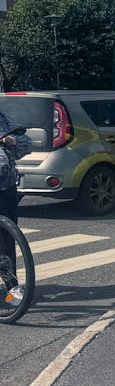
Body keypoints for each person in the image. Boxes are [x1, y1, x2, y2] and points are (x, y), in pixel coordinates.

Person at [0, 109, 31, 307]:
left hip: (5, 186)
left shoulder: (1, 118)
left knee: (7, 238)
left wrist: (12, 141)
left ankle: (11, 287)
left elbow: (26, 143)